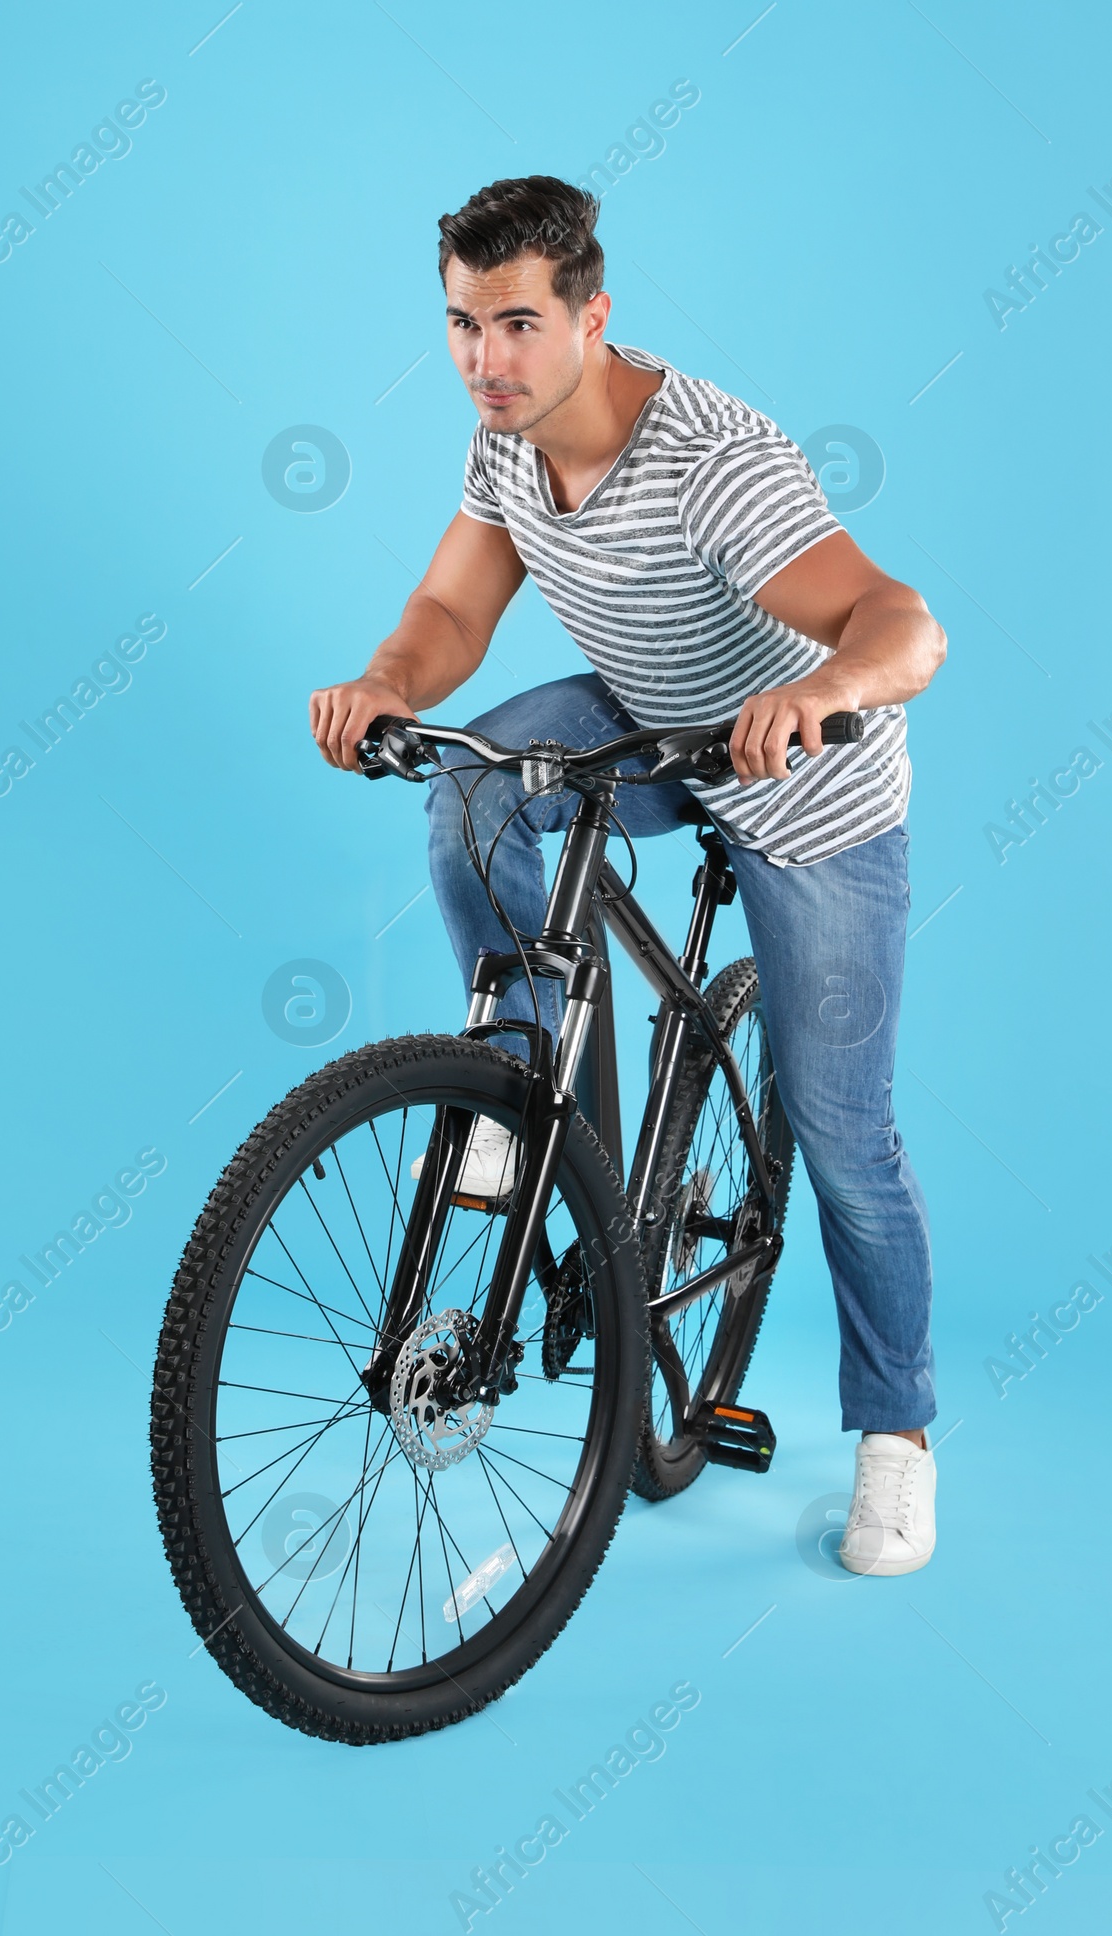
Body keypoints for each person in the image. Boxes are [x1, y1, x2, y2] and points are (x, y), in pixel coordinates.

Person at [310, 177, 948, 1576]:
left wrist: (827, 689)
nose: (489, 360)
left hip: (804, 782)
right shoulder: (506, 442)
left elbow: (903, 623)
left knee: (841, 1135)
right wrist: (384, 683)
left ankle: (897, 1436)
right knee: (473, 782)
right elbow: (448, 612)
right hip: (656, 719)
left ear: (594, 317)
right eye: (465, 326)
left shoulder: (713, 459)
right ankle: (530, 1101)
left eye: (521, 325)